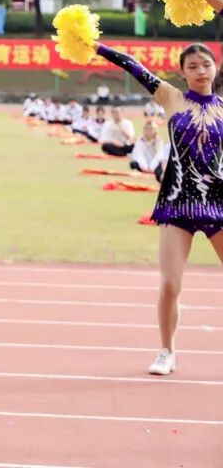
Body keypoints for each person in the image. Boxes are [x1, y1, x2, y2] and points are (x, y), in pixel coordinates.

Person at [94, 29, 223, 376]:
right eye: (192, 66)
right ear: (182, 72)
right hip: (178, 201)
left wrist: (210, 2)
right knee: (170, 285)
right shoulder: (170, 97)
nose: (200, 71)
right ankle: (167, 351)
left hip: (218, 202)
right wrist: (97, 46)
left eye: (206, 64)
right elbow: (132, 65)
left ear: (215, 67)